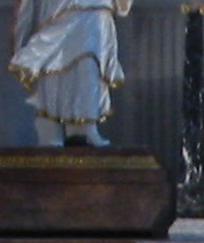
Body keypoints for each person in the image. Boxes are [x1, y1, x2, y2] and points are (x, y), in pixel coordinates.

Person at [11, 0, 134, 146]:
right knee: (54, 65)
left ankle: (84, 127)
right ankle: (52, 127)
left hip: (95, 11)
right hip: (58, 10)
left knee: (89, 66)